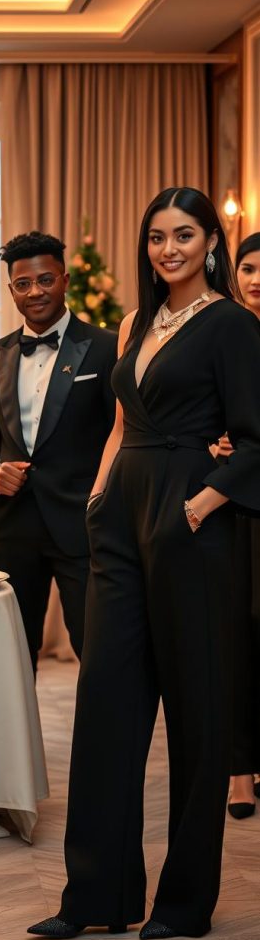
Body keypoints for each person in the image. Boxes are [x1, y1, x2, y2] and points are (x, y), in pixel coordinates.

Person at [28, 188, 260, 940]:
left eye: (183, 235)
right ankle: (94, 896)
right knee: (105, 702)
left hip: (191, 522)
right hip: (120, 520)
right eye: (157, 236)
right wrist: (99, 500)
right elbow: (120, 425)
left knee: (196, 714)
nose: (168, 249)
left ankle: (184, 905)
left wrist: (202, 504)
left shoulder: (232, 325)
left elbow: (256, 436)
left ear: (211, 242)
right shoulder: (135, 323)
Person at [0, 231, 117, 673]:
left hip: (84, 525)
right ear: (11, 289)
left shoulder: (107, 348)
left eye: (45, 280)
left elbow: (124, 435)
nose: (35, 292)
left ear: (64, 280)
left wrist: (107, 508)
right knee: (11, 657)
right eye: (23, 284)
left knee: (99, 653)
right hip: (14, 526)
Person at [219, 232, 260, 819]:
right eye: (249, 268)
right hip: (231, 501)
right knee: (235, 632)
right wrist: (214, 441)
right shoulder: (223, 332)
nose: (257, 279)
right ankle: (238, 773)